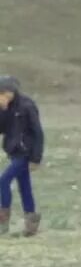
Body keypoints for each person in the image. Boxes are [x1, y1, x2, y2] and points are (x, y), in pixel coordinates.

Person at [0, 76, 43, 237]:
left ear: (8, 93)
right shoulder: (6, 107)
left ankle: (2, 222)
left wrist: (36, 158)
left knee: (3, 181)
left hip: (26, 153)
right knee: (24, 187)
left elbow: (38, 133)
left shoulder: (27, 106)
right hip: (13, 151)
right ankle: (31, 223)